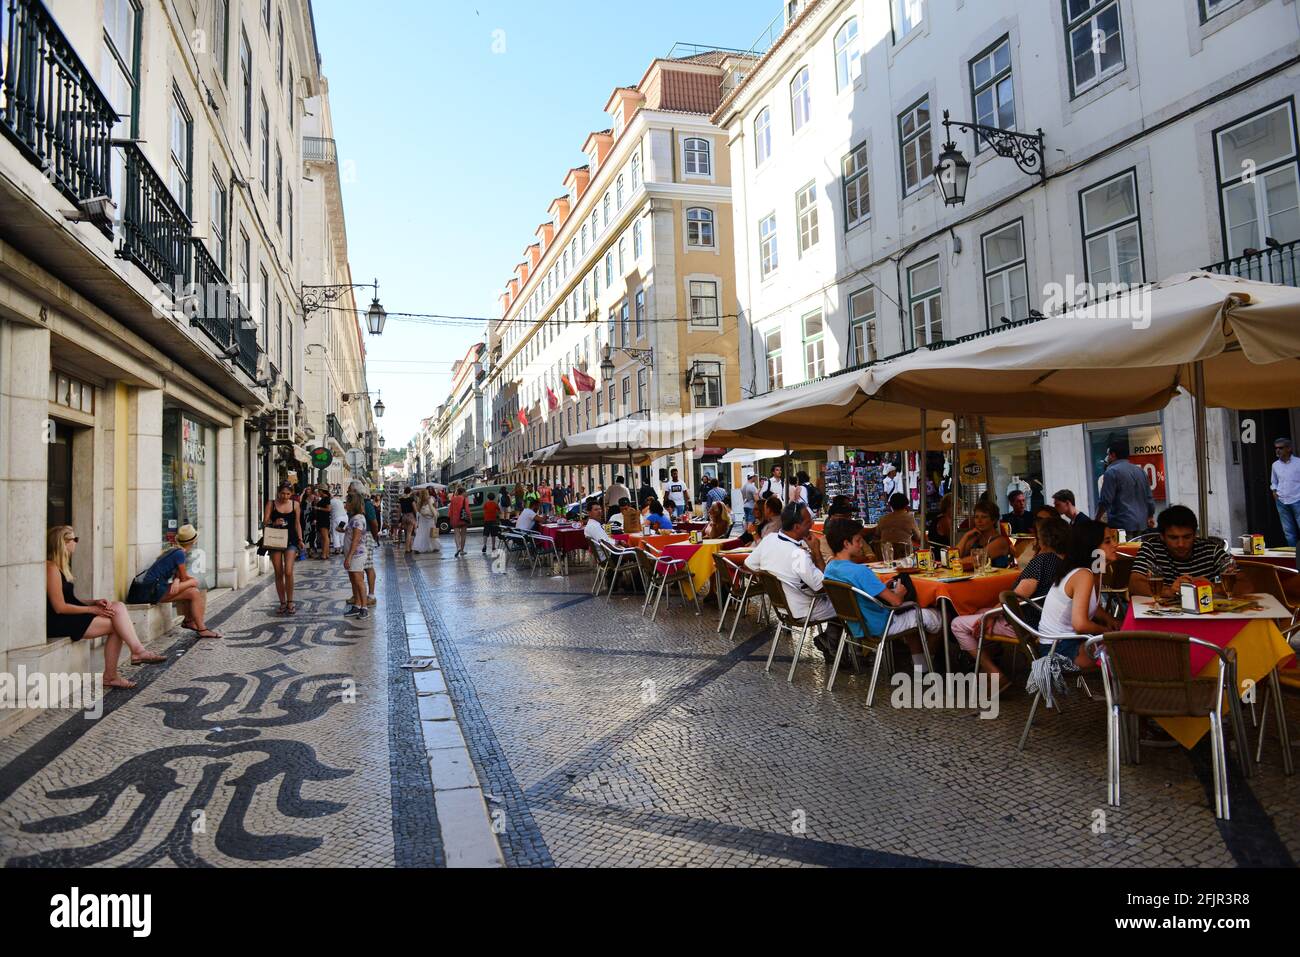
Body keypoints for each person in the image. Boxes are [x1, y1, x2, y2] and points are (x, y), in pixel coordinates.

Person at [950, 516, 1071, 689]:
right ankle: (993, 658)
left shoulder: (1042, 561)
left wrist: (990, 616)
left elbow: (1015, 597)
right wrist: (989, 613)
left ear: (1043, 540)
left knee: (957, 624)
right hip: (1052, 621)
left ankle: (993, 673)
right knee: (979, 612)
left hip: (1027, 624)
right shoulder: (1067, 562)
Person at [47, 526, 166, 690]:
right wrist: (91, 610)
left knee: (117, 606)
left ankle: (134, 653)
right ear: (63, 543)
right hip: (58, 621)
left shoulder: (60, 567)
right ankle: (118, 669)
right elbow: (59, 607)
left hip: (69, 616)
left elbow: (68, 599)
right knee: (117, 627)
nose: (76, 543)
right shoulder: (51, 568)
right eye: (75, 540)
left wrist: (93, 602)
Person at [824, 519, 942, 672]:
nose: (861, 544)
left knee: (911, 618)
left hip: (856, 625)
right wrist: (899, 593)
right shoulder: (861, 571)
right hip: (880, 624)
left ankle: (920, 667)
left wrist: (882, 589)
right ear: (846, 544)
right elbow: (896, 602)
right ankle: (926, 664)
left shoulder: (830, 568)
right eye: (858, 541)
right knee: (939, 618)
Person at [744, 502, 843, 661]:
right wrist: (816, 553)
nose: (812, 523)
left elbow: (749, 564)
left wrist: (774, 575)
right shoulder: (798, 554)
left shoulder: (770, 539)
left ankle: (831, 642)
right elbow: (824, 587)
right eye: (808, 522)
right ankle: (842, 648)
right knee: (851, 604)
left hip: (784, 607)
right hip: (805, 609)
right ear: (797, 527)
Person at [1037, 519, 1121, 668]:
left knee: (1127, 647)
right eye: (1107, 541)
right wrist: (1106, 631)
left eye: (1113, 539)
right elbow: (1080, 625)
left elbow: (1090, 605)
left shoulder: (1094, 570)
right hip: (1057, 650)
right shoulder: (1083, 575)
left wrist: (1109, 619)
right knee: (1126, 652)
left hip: (1066, 641)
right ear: (1092, 548)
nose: (1115, 544)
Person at [126, 525, 223, 638]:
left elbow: (180, 576)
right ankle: (199, 627)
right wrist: (184, 580)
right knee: (194, 584)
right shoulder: (180, 554)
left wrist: (177, 580)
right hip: (151, 591)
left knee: (193, 592)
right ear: (194, 541)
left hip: (152, 589)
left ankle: (192, 623)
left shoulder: (174, 551)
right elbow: (185, 578)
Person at [1129, 504, 1231, 598]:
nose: (1181, 544)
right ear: (1162, 536)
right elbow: (1135, 583)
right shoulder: (1151, 548)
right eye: (1173, 538)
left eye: (1187, 537)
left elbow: (1243, 581)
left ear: (1195, 534)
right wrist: (1169, 591)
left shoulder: (1211, 550)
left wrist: (1213, 588)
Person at [1097, 441, 1156, 536]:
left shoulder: (1111, 472)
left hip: (1121, 525)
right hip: (1142, 524)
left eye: (1108, 454)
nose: (1107, 458)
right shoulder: (1140, 471)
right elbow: (1149, 498)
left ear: (1113, 455)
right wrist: (1150, 516)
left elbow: (1105, 501)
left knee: (1124, 550)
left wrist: (1097, 518)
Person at [263, 482, 304, 615]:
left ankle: (290, 601)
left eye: (288, 494)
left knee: (288, 571)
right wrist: (273, 522)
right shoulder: (271, 503)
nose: (285, 496)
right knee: (278, 572)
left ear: (291, 494)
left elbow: (297, 523)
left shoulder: (295, 504)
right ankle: (282, 602)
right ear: (278, 492)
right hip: (275, 539)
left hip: (291, 539)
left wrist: (300, 539)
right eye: (283, 493)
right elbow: (265, 521)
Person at [955, 501, 1013, 569]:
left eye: (984, 517)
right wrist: (966, 536)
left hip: (996, 579)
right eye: (976, 517)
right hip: (977, 578)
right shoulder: (975, 538)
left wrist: (954, 563)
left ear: (993, 520)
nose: (979, 520)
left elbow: (976, 560)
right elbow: (954, 555)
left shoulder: (1000, 541)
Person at [342, 493, 371, 620]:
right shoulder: (354, 518)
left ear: (352, 504)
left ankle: (364, 607)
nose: (345, 504)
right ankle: (357, 605)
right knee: (354, 580)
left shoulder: (358, 519)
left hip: (357, 555)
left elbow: (356, 540)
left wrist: (349, 557)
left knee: (359, 581)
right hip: (352, 554)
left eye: (347, 502)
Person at [352, 481, 380, 605]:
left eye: (350, 490)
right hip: (357, 536)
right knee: (357, 567)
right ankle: (357, 595)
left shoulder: (367, 504)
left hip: (366, 535)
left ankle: (371, 595)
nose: (348, 492)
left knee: (367, 566)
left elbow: (374, 522)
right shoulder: (354, 504)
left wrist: (375, 536)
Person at [1272, 437, 1300, 547]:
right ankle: (1293, 556)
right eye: (1276, 448)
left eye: (1281, 448)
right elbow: (1274, 481)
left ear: (1289, 449)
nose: (1277, 450)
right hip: (1282, 501)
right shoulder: (1275, 465)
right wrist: (1274, 492)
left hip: (1297, 499)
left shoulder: (1298, 463)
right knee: (1289, 533)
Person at [413, 489, 440, 553]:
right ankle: (434, 547)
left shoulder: (419, 501)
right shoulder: (430, 499)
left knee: (421, 533)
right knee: (431, 533)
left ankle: (418, 547)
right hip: (430, 518)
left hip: (423, 519)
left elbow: (418, 510)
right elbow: (435, 507)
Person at [448, 484, 472, 558]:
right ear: (463, 492)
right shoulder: (465, 499)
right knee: (463, 535)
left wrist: (450, 518)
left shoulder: (453, 499)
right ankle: (462, 550)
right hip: (463, 518)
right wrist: (470, 518)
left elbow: (450, 510)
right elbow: (467, 510)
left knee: (456, 534)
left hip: (455, 518)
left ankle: (458, 547)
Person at [315, 487, 335, 560]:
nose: (318, 493)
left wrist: (318, 508)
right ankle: (326, 553)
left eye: (319, 491)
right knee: (324, 537)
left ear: (322, 491)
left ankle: (324, 554)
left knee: (325, 537)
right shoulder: (323, 499)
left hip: (324, 519)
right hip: (321, 519)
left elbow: (328, 509)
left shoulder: (326, 499)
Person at [329, 488, 348, 554]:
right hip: (344, 518)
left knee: (335, 533)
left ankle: (337, 549)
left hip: (337, 518)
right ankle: (343, 548)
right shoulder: (339, 501)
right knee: (342, 533)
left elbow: (329, 510)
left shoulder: (330, 501)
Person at [399, 486, 417, 553]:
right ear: (410, 491)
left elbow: (399, 510)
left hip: (404, 517)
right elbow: (415, 509)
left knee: (407, 533)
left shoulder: (401, 499)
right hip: (410, 516)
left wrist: (399, 519)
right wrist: (416, 516)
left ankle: (409, 547)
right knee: (409, 533)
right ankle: (407, 549)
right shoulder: (411, 499)